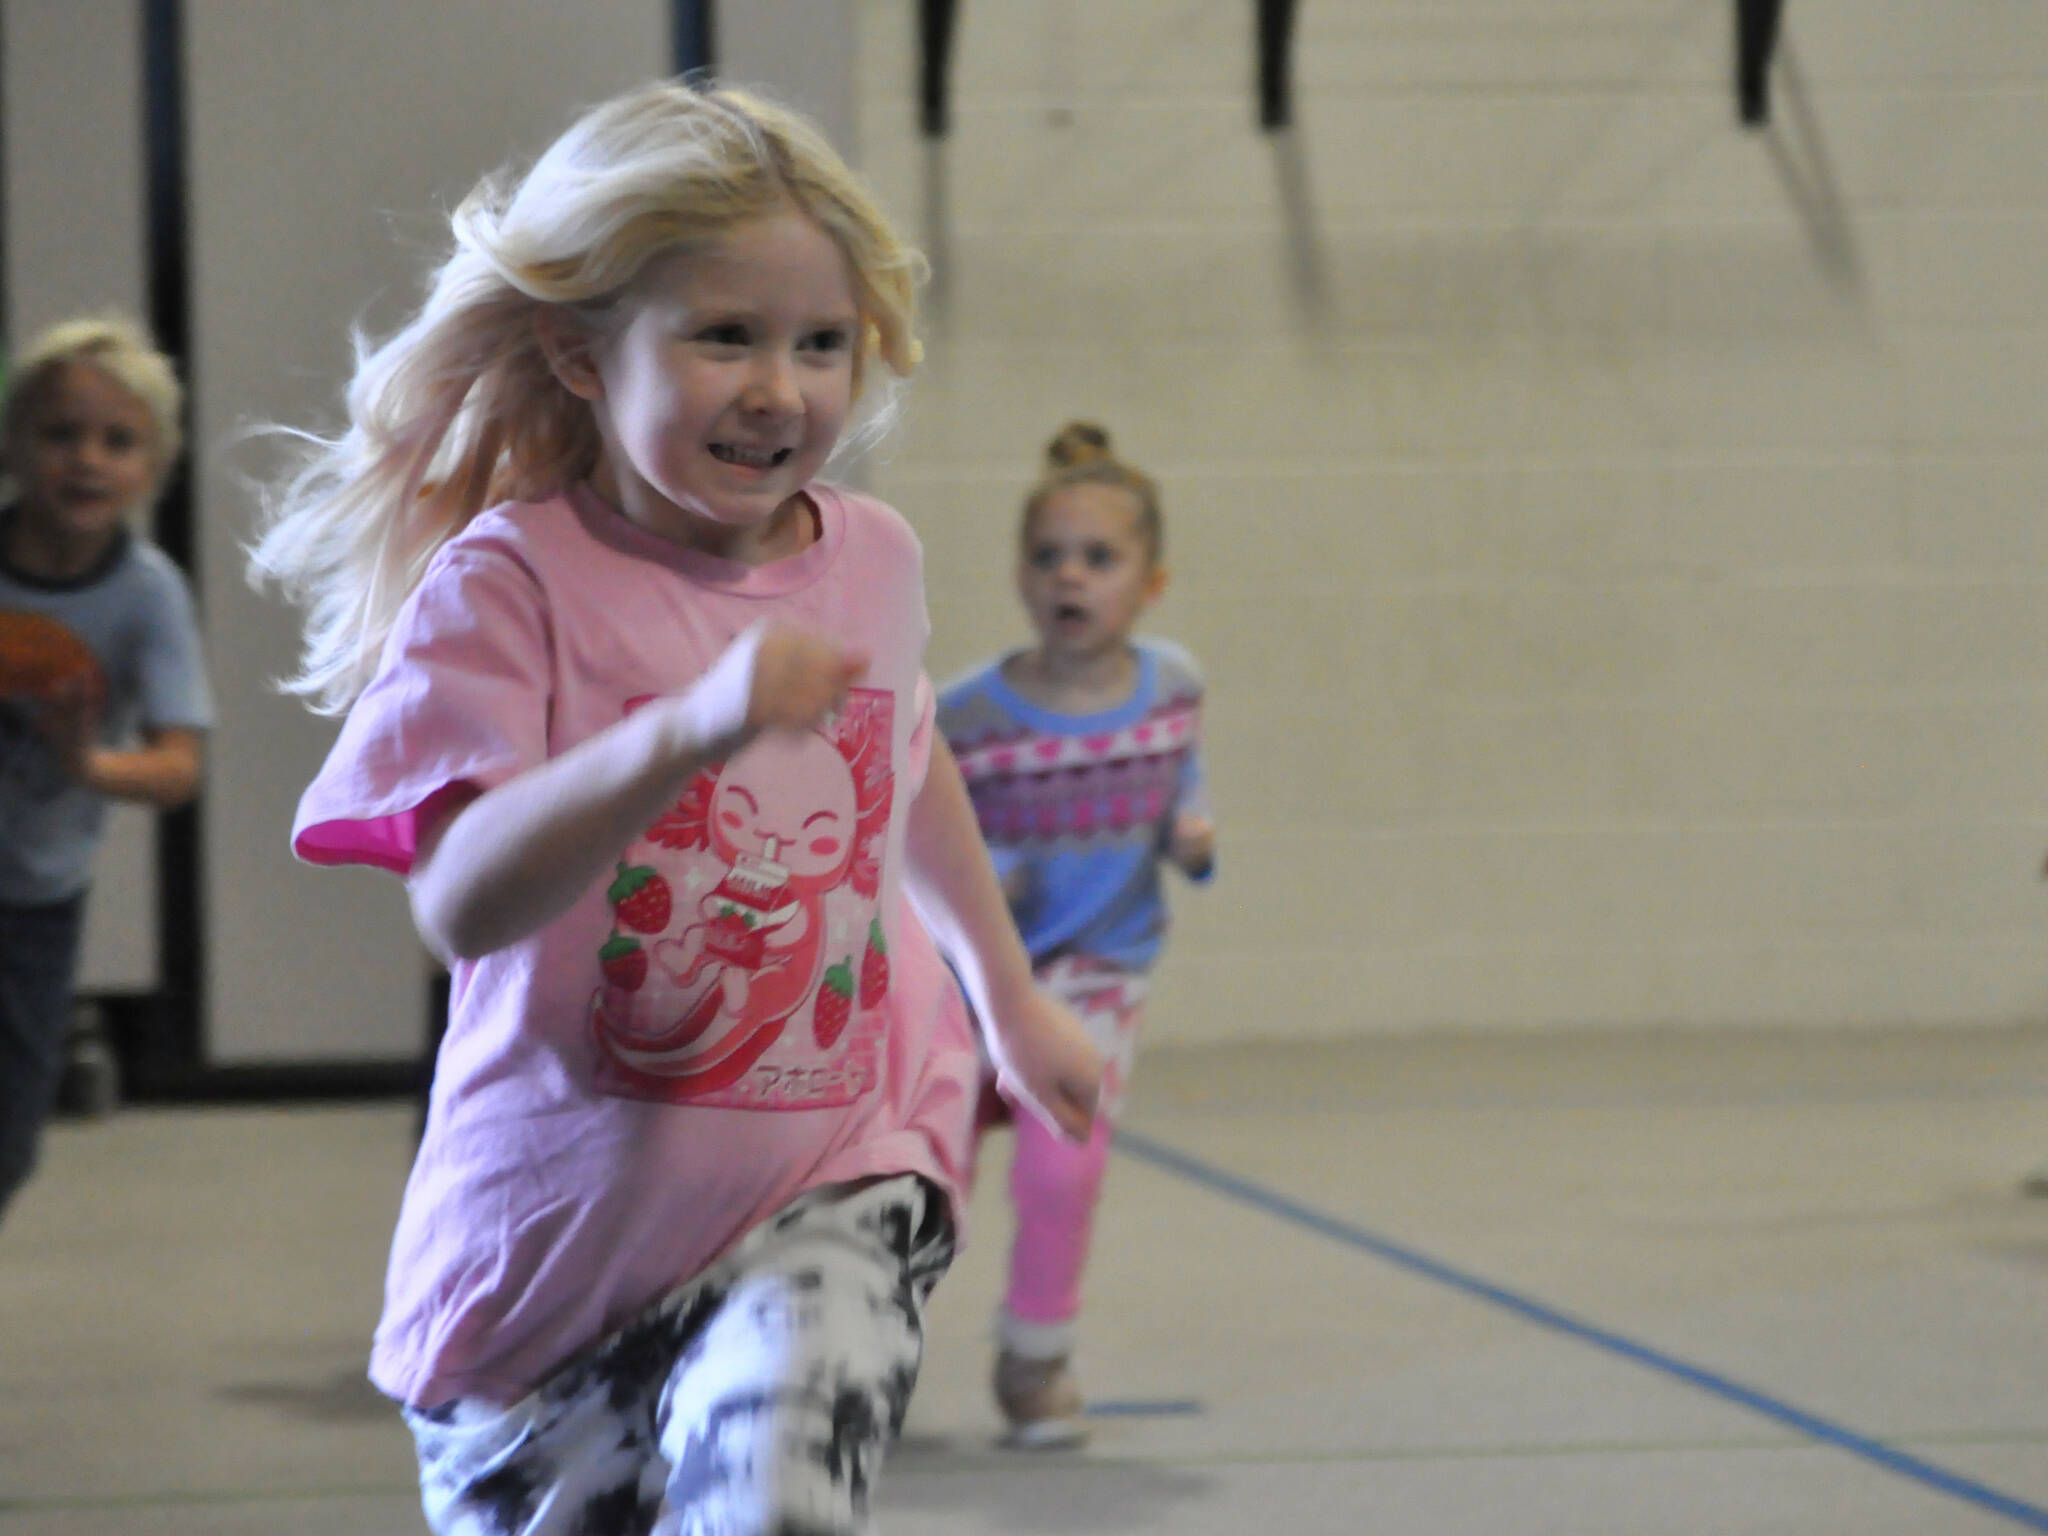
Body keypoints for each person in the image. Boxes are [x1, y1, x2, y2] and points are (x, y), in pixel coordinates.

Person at [247, 80, 1101, 1536]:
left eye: (819, 344)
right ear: (578, 355)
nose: (781, 388)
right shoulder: (508, 586)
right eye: (725, 335)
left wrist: (1005, 993)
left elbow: (906, 756)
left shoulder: (872, 557)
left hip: (834, 1173)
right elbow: (460, 906)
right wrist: (683, 734)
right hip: (557, 1246)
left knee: (775, 1501)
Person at [937, 422, 1215, 1448]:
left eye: (1099, 559)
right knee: (927, 1176)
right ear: (1019, 575)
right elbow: (908, 827)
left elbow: (1180, 776)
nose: (1071, 577)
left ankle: (1033, 1362)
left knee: (1066, 1163)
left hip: (1096, 974)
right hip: (968, 974)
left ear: (1150, 581)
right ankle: (859, 1340)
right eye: (1050, 557)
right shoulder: (965, 714)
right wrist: (970, 883)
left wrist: (1191, 834)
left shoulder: (1173, 685)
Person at [0, 313, 211, 1225]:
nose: (86, 459)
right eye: (60, 434)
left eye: (117, 440)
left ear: (152, 468)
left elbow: (177, 767)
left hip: (36, 897)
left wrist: (84, 760)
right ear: (14, 445)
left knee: (9, 1135)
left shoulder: (146, 593)